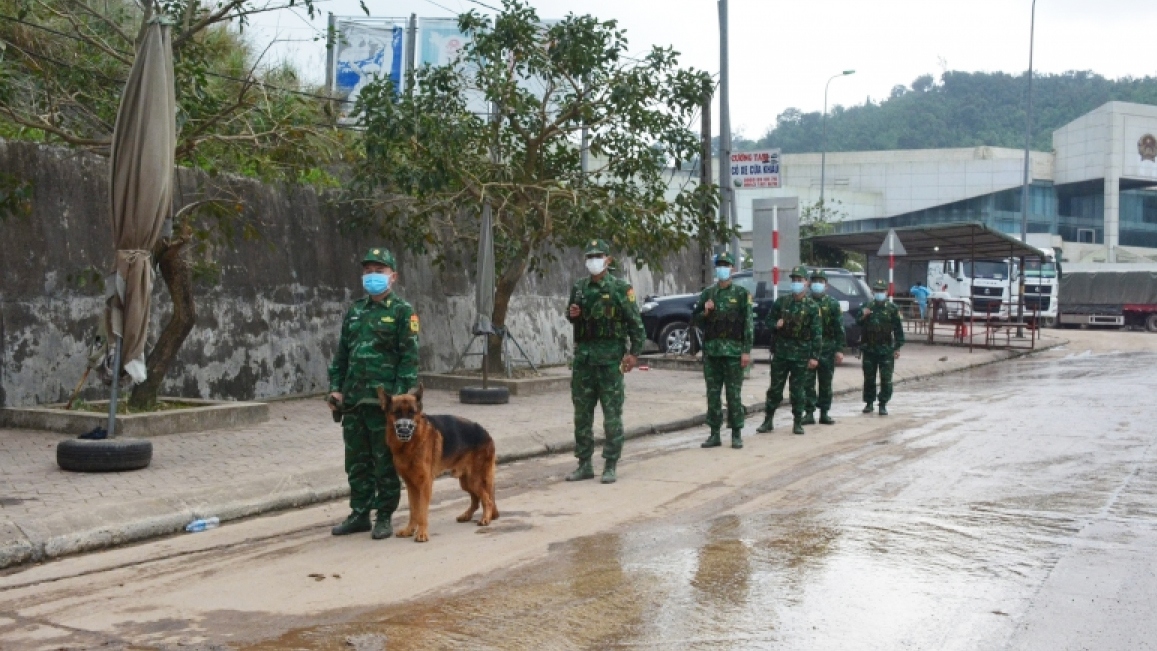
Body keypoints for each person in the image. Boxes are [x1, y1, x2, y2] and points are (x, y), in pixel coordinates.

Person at [327, 247, 420, 539]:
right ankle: (359, 514)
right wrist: (336, 390)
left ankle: (384, 515)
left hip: (385, 405)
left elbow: (409, 358)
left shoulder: (403, 312)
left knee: (385, 461)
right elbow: (342, 355)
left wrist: (401, 402)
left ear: (393, 277)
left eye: (378, 271)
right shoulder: (355, 311)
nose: (372, 277)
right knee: (356, 462)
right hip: (354, 401)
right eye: (367, 271)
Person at [565, 239, 646, 484]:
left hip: (611, 360)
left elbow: (636, 324)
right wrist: (572, 314)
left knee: (611, 415)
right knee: (582, 415)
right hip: (584, 361)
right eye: (589, 257)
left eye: (598, 256)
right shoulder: (579, 288)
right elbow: (571, 314)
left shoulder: (621, 288)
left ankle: (610, 464)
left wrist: (634, 354)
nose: (593, 261)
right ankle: (584, 464)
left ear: (608, 260)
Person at [692, 253, 754, 450]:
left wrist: (746, 351)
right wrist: (706, 312)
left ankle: (736, 433)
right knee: (712, 394)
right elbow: (695, 321)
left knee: (733, 394)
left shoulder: (742, 294)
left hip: (734, 352)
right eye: (719, 265)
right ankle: (714, 433)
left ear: (733, 269)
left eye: (726, 265)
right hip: (712, 352)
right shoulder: (708, 294)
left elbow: (748, 324)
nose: (722, 269)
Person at [755, 266, 820, 436]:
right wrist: (775, 325)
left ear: (806, 283)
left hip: (801, 354)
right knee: (775, 388)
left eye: (800, 280)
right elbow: (768, 321)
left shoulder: (812, 307)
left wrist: (814, 356)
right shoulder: (782, 302)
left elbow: (816, 334)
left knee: (797, 389)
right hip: (781, 353)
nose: (796, 283)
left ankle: (798, 421)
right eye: (794, 280)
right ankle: (768, 420)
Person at [855, 280, 905, 416]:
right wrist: (864, 315)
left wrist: (897, 347)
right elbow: (858, 322)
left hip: (886, 350)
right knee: (869, 378)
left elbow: (898, 330)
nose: (879, 293)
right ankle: (869, 402)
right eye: (877, 291)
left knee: (886, 379)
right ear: (873, 292)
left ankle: (883, 403)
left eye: (881, 291)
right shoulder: (867, 306)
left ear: (886, 292)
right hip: (869, 348)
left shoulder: (892, 308)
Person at [803, 270, 845, 425]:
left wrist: (839, 349)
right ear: (809, 284)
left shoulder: (833, 303)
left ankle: (824, 412)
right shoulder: (805, 302)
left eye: (821, 282)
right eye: (815, 281)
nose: (817, 284)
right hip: (808, 348)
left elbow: (839, 327)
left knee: (826, 382)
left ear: (826, 285)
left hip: (827, 348)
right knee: (808, 382)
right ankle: (808, 412)